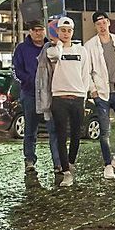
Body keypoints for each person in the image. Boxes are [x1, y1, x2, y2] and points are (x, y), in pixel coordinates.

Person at [85, 11, 115, 179]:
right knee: (104, 131)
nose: (102, 26)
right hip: (101, 93)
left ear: (109, 23)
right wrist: (93, 90)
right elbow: (87, 70)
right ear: (95, 26)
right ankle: (107, 164)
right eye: (98, 24)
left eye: (104, 22)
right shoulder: (90, 46)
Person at [47, 16, 91, 187]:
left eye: (69, 31)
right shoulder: (52, 50)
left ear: (73, 32)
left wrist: (84, 96)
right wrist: (57, 43)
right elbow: (55, 56)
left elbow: (85, 74)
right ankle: (65, 171)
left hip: (78, 96)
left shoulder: (82, 51)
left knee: (76, 134)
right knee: (60, 135)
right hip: (59, 97)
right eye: (62, 30)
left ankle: (71, 163)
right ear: (57, 31)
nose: (66, 34)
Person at [12, 20, 61, 174]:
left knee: (54, 129)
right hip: (30, 93)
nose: (39, 33)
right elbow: (17, 70)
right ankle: (30, 160)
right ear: (30, 31)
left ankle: (58, 162)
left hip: (50, 93)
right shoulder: (22, 48)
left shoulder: (51, 47)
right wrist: (30, 80)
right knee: (30, 129)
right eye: (35, 30)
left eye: (41, 30)